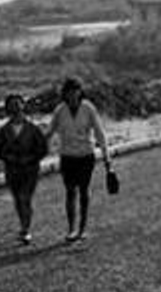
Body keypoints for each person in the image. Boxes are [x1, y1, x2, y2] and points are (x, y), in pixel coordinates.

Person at [47, 77, 112, 243]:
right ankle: (71, 229)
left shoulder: (88, 108)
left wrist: (106, 157)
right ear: (65, 93)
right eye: (69, 91)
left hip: (85, 156)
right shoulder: (60, 110)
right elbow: (50, 132)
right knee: (70, 192)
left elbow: (99, 132)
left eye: (76, 90)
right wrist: (36, 149)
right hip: (67, 156)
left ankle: (82, 229)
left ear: (80, 92)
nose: (73, 94)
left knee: (83, 191)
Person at [0, 93, 47, 244]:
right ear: (7, 108)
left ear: (23, 106)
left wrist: (31, 159)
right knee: (18, 200)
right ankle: (23, 225)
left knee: (25, 198)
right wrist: (8, 158)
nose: (15, 107)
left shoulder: (33, 129)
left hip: (30, 170)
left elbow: (42, 149)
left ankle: (26, 229)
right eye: (12, 105)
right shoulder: (4, 130)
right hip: (12, 170)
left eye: (18, 103)